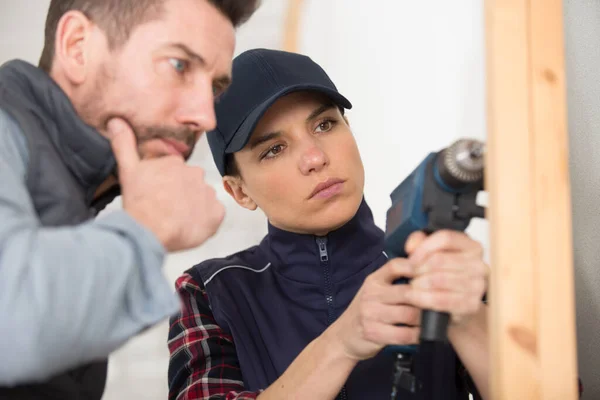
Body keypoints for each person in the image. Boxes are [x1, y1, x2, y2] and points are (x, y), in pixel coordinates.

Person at [167, 48, 489, 400]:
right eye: (274, 149)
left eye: (324, 125)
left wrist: (469, 318)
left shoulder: (443, 269)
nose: (316, 158)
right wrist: (341, 344)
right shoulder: (209, 293)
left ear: (349, 129)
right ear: (239, 191)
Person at [0, 0, 259, 398]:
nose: (205, 116)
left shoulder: (76, 188)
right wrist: (146, 228)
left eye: (215, 88)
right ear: (77, 46)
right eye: (178, 65)